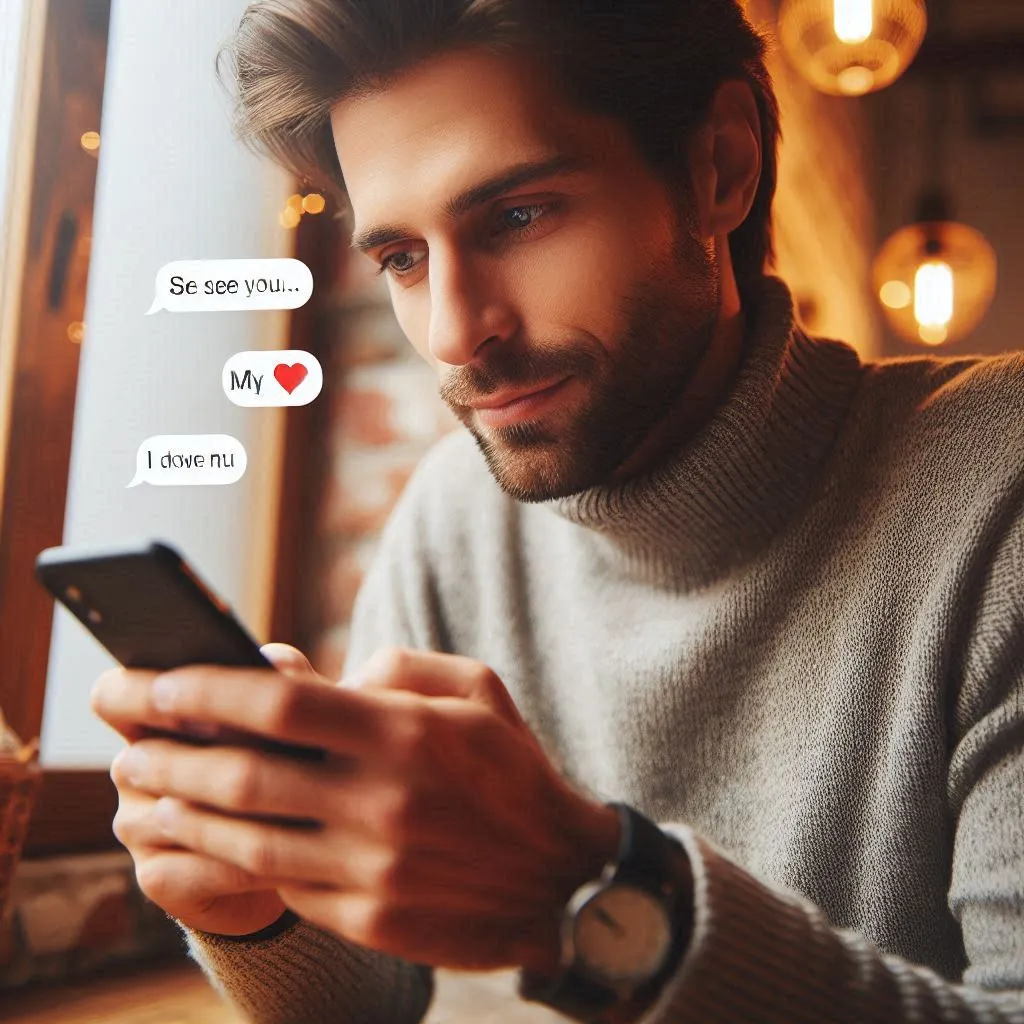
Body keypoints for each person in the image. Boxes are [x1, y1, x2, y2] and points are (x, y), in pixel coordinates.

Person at [91, 1, 1024, 1021]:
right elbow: (387, 997)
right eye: (401, 259)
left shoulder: (997, 484)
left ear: (718, 168)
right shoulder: (450, 525)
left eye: (518, 216)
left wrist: (588, 897)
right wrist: (259, 914)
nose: (453, 330)